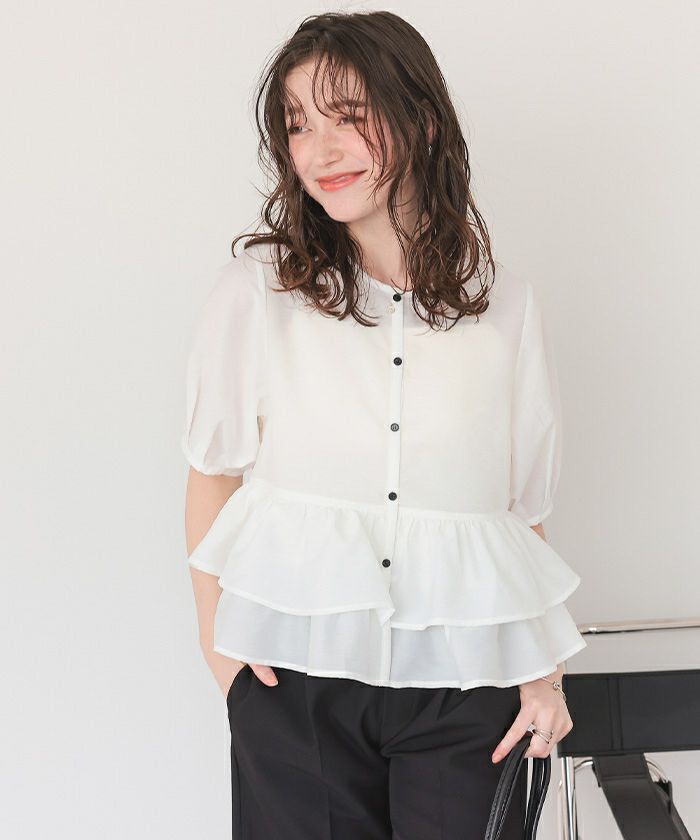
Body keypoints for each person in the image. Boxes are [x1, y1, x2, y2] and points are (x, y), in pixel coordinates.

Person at [181, 10, 587, 839]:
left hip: (471, 690)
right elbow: (212, 472)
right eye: (299, 124)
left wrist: (542, 676)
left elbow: (519, 514)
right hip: (294, 681)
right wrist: (222, 659)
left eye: (349, 117)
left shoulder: (505, 306)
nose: (320, 150)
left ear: (423, 121)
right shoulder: (258, 292)